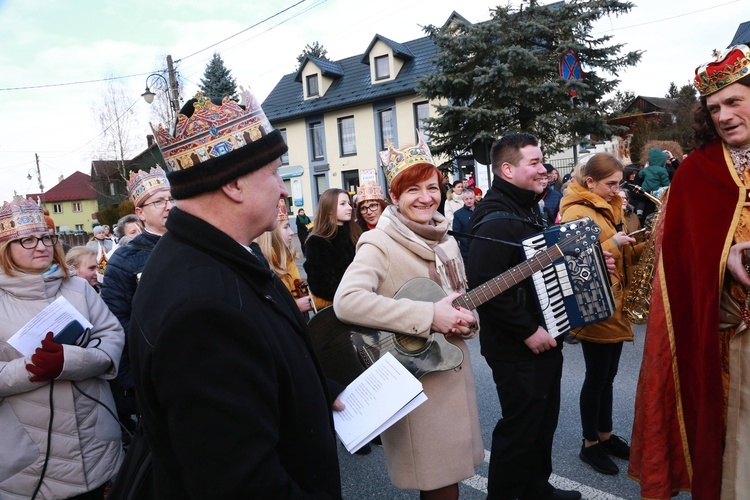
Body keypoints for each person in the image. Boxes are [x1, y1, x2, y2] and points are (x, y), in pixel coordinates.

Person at [128, 90, 341, 498]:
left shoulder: (217, 257)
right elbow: (240, 482)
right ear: (233, 183)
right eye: (275, 173)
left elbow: (254, 367)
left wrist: (318, 392)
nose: (283, 190)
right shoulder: (201, 307)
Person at [630, 44, 750, 499]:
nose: (723, 115)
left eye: (734, 101)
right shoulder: (698, 172)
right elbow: (680, 264)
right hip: (723, 340)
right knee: (733, 446)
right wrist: (725, 260)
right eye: (714, 107)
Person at [335, 135, 482, 499]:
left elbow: (460, 297)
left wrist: (468, 319)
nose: (426, 197)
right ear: (395, 197)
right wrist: (428, 315)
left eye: (432, 187)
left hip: (453, 372)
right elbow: (347, 301)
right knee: (438, 486)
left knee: (449, 482)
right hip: (414, 384)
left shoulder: (446, 241)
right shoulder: (378, 242)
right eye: (412, 189)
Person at [467, 132, 581, 500]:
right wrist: (529, 330)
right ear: (507, 169)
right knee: (519, 430)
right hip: (517, 345)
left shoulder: (526, 206)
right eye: (533, 162)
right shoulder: (498, 218)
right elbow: (486, 286)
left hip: (543, 337)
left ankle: (536, 489)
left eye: (542, 160)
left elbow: (534, 268)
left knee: (542, 423)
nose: (544, 168)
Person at [0, 196, 124, 499]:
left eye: (45, 237)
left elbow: (112, 339)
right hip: (29, 463)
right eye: (27, 240)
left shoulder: (79, 288)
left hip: (96, 449)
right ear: (5, 249)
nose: (41, 246)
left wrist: (69, 361)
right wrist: (30, 369)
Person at [559, 153, 639, 475]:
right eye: (611, 184)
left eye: (619, 184)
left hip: (614, 302)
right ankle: (589, 444)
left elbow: (616, 251)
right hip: (596, 305)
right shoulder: (577, 210)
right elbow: (575, 260)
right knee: (596, 379)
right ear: (590, 182)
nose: (617, 190)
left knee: (608, 377)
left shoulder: (609, 207)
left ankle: (605, 435)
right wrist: (616, 243)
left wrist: (638, 242)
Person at [101, 166, 172, 436]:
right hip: (154, 370)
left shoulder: (197, 243)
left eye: (172, 198)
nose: (168, 206)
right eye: (159, 201)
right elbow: (117, 320)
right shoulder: (124, 259)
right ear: (140, 213)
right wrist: (133, 381)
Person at [303, 188, 362, 310]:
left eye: (349, 203)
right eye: (343, 204)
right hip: (341, 308)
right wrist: (350, 297)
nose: (350, 208)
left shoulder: (356, 233)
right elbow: (319, 283)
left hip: (364, 299)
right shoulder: (317, 241)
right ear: (329, 209)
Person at [256, 200, 315, 315]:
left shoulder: (288, 259)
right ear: (271, 233)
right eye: (286, 227)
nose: (291, 232)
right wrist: (296, 306)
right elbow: (265, 311)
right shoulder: (263, 265)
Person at [452, 187, 477, 267]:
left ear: (474, 198)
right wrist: (470, 242)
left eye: (471, 198)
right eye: (466, 199)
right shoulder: (458, 214)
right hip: (466, 251)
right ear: (463, 200)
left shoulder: (481, 211)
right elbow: (457, 233)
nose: (469, 201)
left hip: (482, 248)